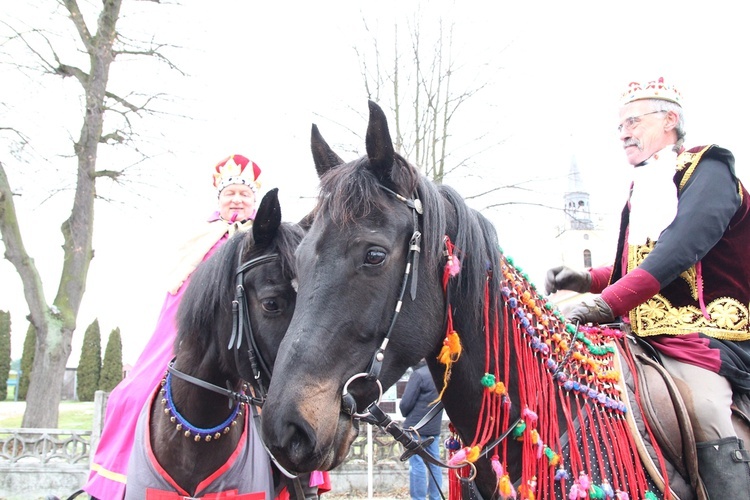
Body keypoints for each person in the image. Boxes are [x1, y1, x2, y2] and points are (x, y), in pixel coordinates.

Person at [545, 77, 750, 497]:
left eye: (633, 121)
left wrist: (604, 303)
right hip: (643, 332)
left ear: (670, 120)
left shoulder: (709, 170)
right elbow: (630, 264)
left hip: (708, 332)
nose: (624, 133)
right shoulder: (644, 186)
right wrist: (586, 280)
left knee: (706, 406)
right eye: (621, 125)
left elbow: (679, 250)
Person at [83, 154, 262, 499]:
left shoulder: (264, 240)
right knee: (129, 395)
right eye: (231, 194)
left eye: (244, 194)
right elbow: (177, 300)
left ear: (254, 200)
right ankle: (115, 481)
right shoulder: (201, 240)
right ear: (219, 200)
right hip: (192, 337)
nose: (237, 200)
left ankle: (297, 483)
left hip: (250, 339)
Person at [400, 359, 445, 500]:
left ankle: (418, 498)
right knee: (435, 463)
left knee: (417, 464)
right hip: (434, 426)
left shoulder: (418, 375)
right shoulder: (440, 375)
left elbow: (406, 403)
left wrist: (404, 413)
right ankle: (435, 496)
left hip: (415, 428)